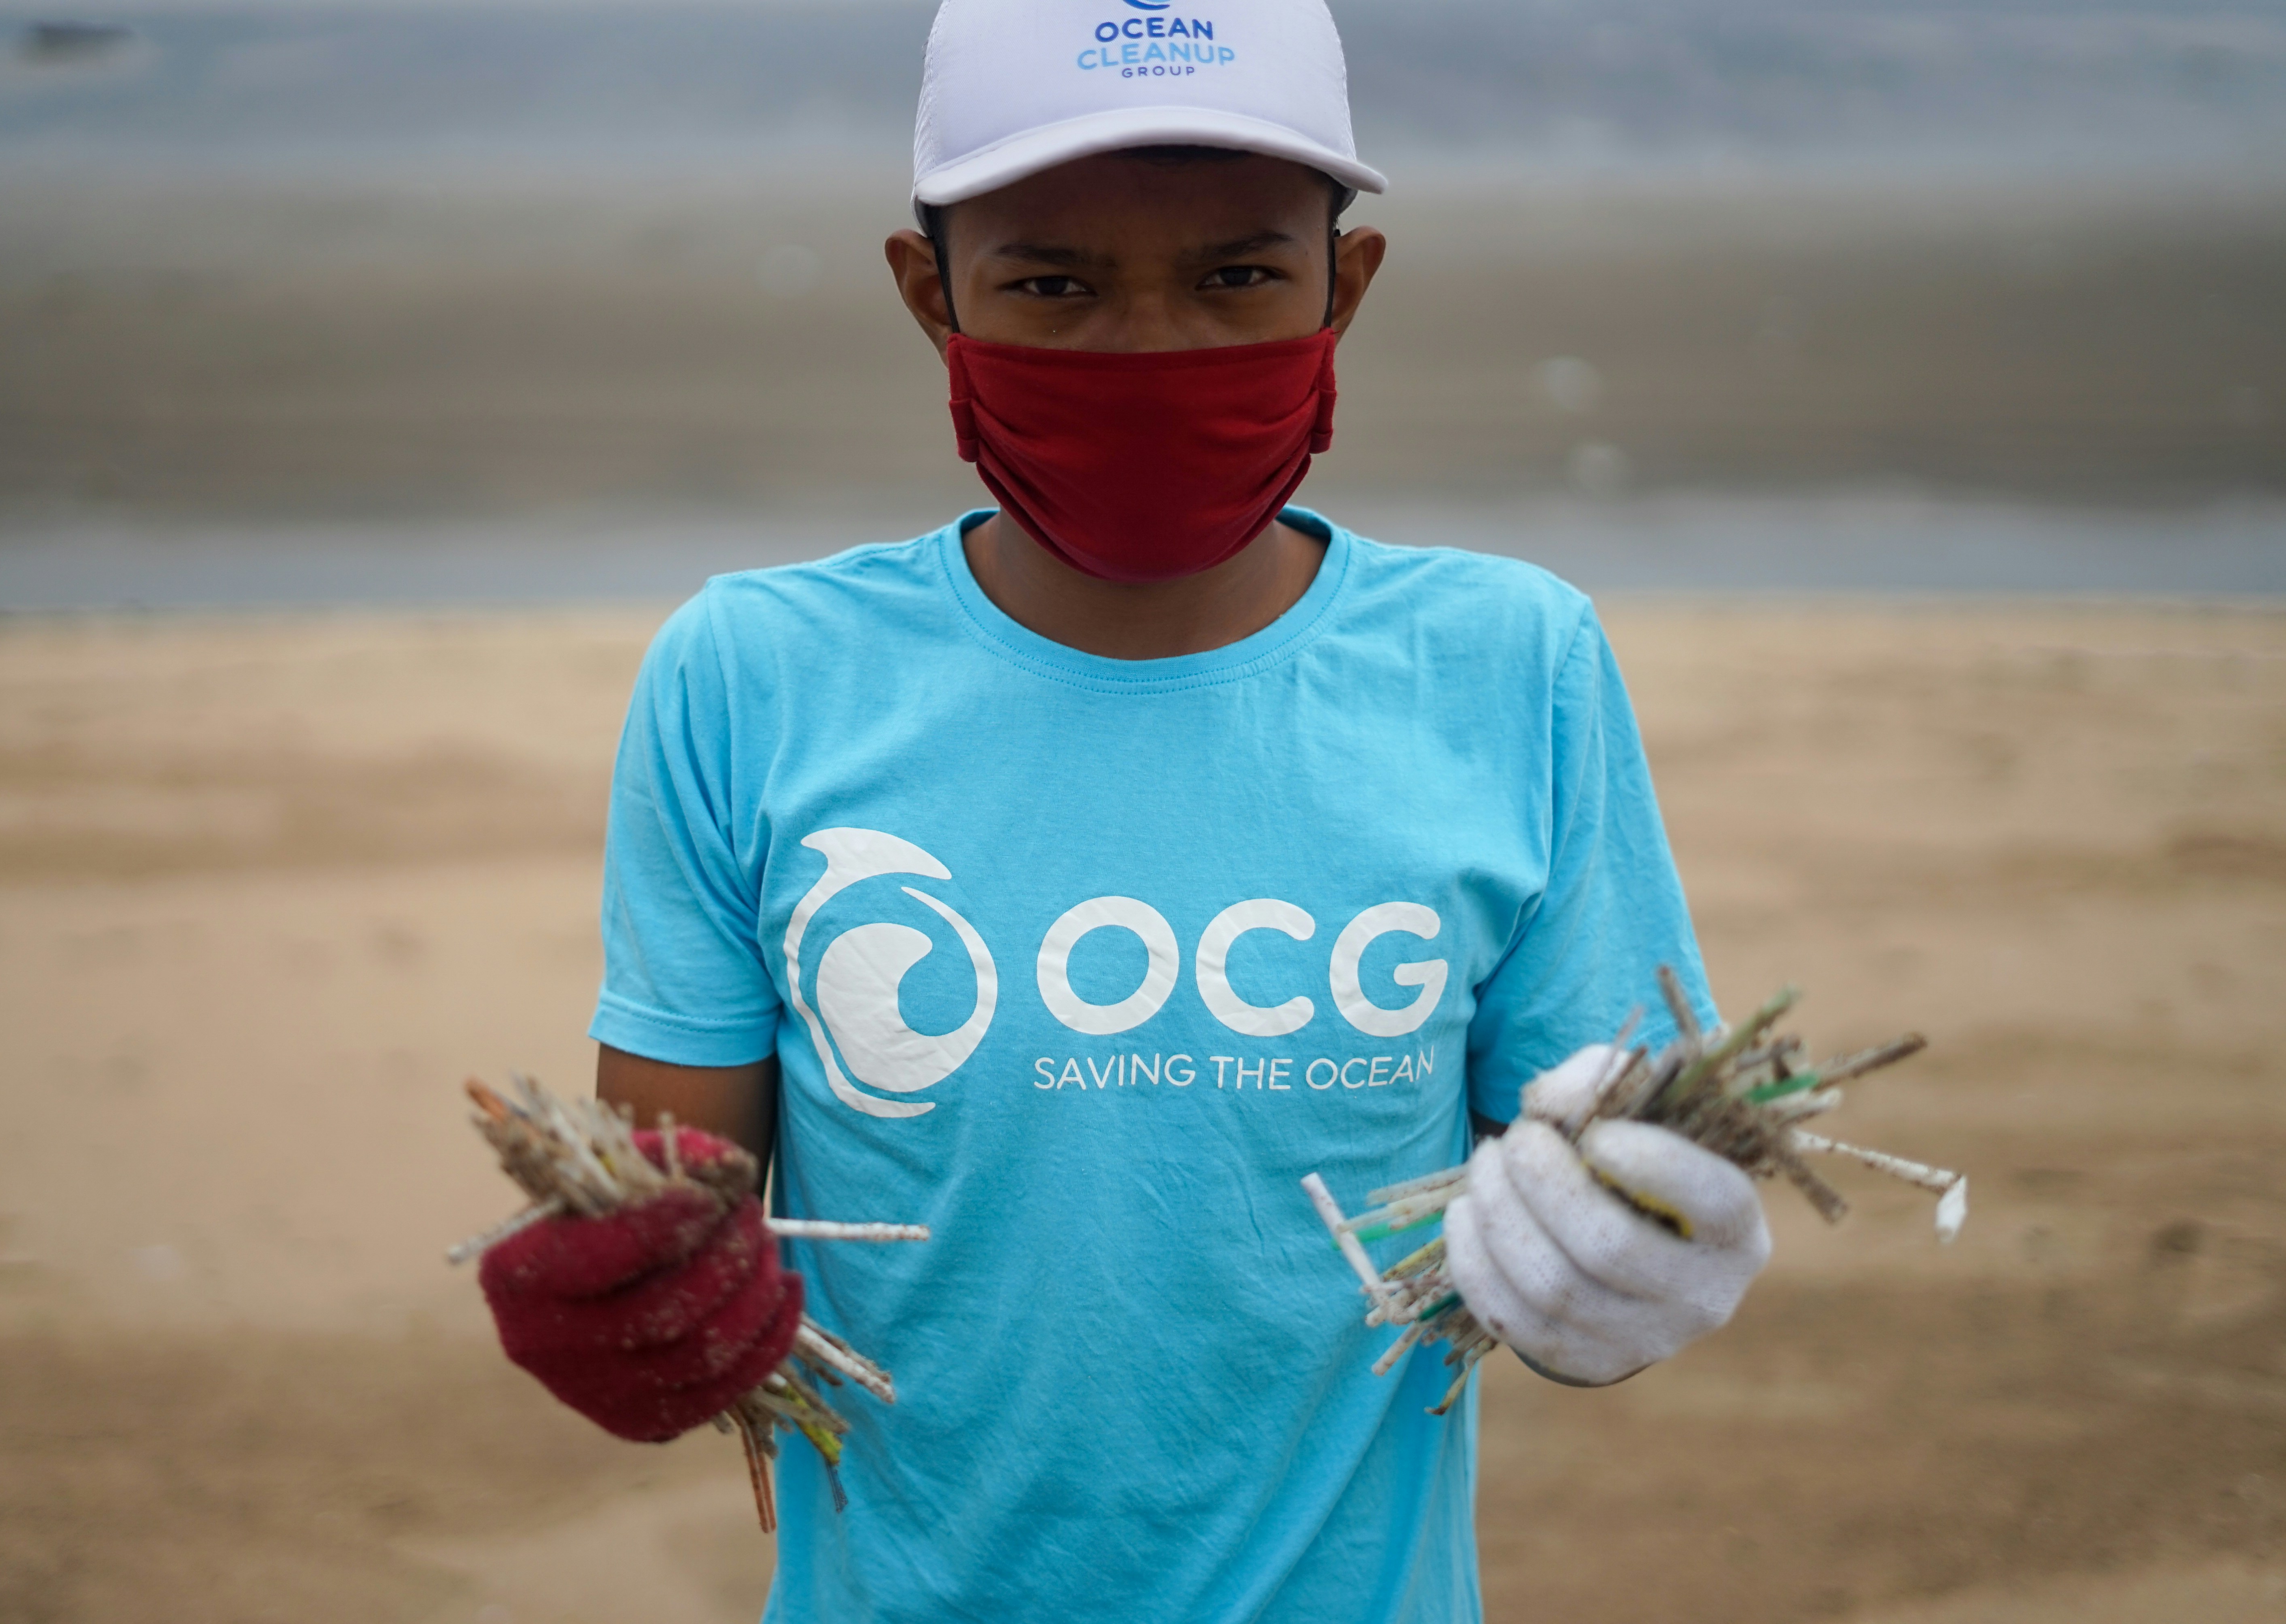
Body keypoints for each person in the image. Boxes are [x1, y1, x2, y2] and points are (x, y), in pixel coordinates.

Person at [477, 3, 1773, 1619]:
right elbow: (673, 1229)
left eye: (1235, 278)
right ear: (931, 296)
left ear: (1344, 287)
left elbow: (1583, 1235)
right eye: (1053, 286)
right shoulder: (752, 678)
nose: (1151, 351)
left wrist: (1642, 1261)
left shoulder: (1512, 667)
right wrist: (621, 1308)